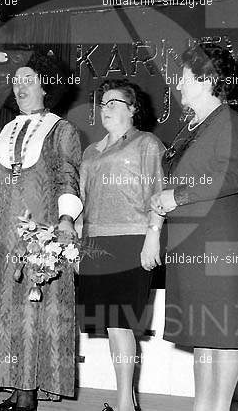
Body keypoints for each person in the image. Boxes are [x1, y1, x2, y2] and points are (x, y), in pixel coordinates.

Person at [0, 52, 82, 411]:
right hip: (2, 230)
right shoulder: (4, 130)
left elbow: (67, 175)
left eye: (28, 79)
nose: (19, 86)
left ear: (47, 87)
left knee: (33, 306)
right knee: (3, 306)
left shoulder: (61, 129)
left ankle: (29, 393)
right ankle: (14, 387)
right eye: (16, 81)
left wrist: (65, 220)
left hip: (39, 229)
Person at [150, 44, 238, 411]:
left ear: (207, 80)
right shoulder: (194, 127)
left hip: (218, 235)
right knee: (204, 334)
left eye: (185, 78)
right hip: (191, 237)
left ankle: (218, 407)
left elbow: (231, 175)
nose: (178, 86)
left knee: (221, 332)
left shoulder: (229, 122)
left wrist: (177, 196)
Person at [77, 80, 164, 411]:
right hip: (96, 244)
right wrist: (77, 248)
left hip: (132, 239)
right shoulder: (90, 151)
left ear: (133, 109)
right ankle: (125, 401)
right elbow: (82, 201)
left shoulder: (147, 143)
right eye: (103, 103)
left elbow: (157, 193)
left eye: (115, 102)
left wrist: (152, 236)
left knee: (123, 323)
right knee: (112, 325)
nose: (106, 108)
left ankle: (125, 404)